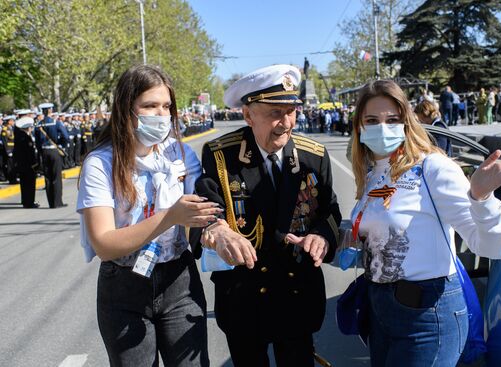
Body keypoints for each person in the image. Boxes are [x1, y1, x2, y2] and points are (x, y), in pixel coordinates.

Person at [348, 80, 501, 366]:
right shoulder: (371, 173)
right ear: (359, 126)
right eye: (372, 120)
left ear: (407, 123)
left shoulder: (433, 167)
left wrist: (481, 197)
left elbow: (494, 247)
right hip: (380, 313)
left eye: (392, 120)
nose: (382, 127)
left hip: (427, 317)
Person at [190, 64, 341, 367]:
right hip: (245, 298)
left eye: (292, 111)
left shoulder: (314, 156)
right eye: (275, 112)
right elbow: (206, 208)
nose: (286, 123)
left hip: (297, 292)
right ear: (248, 115)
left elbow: (330, 211)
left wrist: (321, 236)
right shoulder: (222, 155)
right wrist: (217, 230)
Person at [77, 65, 219, 367]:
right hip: (124, 288)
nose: (161, 114)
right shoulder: (100, 164)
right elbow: (104, 243)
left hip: (179, 281)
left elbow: (204, 210)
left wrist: (221, 232)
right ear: (127, 109)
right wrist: (169, 217)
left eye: (166, 106)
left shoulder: (180, 154)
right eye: (150, 106)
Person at [35, 103, 69, 208]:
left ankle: (51, 203)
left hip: (44, 152)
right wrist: (61, 146)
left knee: (48, 177)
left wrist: (41, 152)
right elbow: (65, 137)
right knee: (56, 177)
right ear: (50, 110)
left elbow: (37, 142)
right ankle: (58, 202)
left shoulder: (39, 124)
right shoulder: (56, 122)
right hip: (54, 151)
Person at [13, 115, 39, 208]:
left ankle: (25, 201)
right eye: (31, 127)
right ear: (27, 128)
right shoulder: (26, 138)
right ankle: (29, 202)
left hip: (21, 164)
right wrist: (34, 164)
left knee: (24, 184)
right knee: (30, 184)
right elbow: (29, 153)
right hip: (28, 165)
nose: (31, 128)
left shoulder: (19, 136)